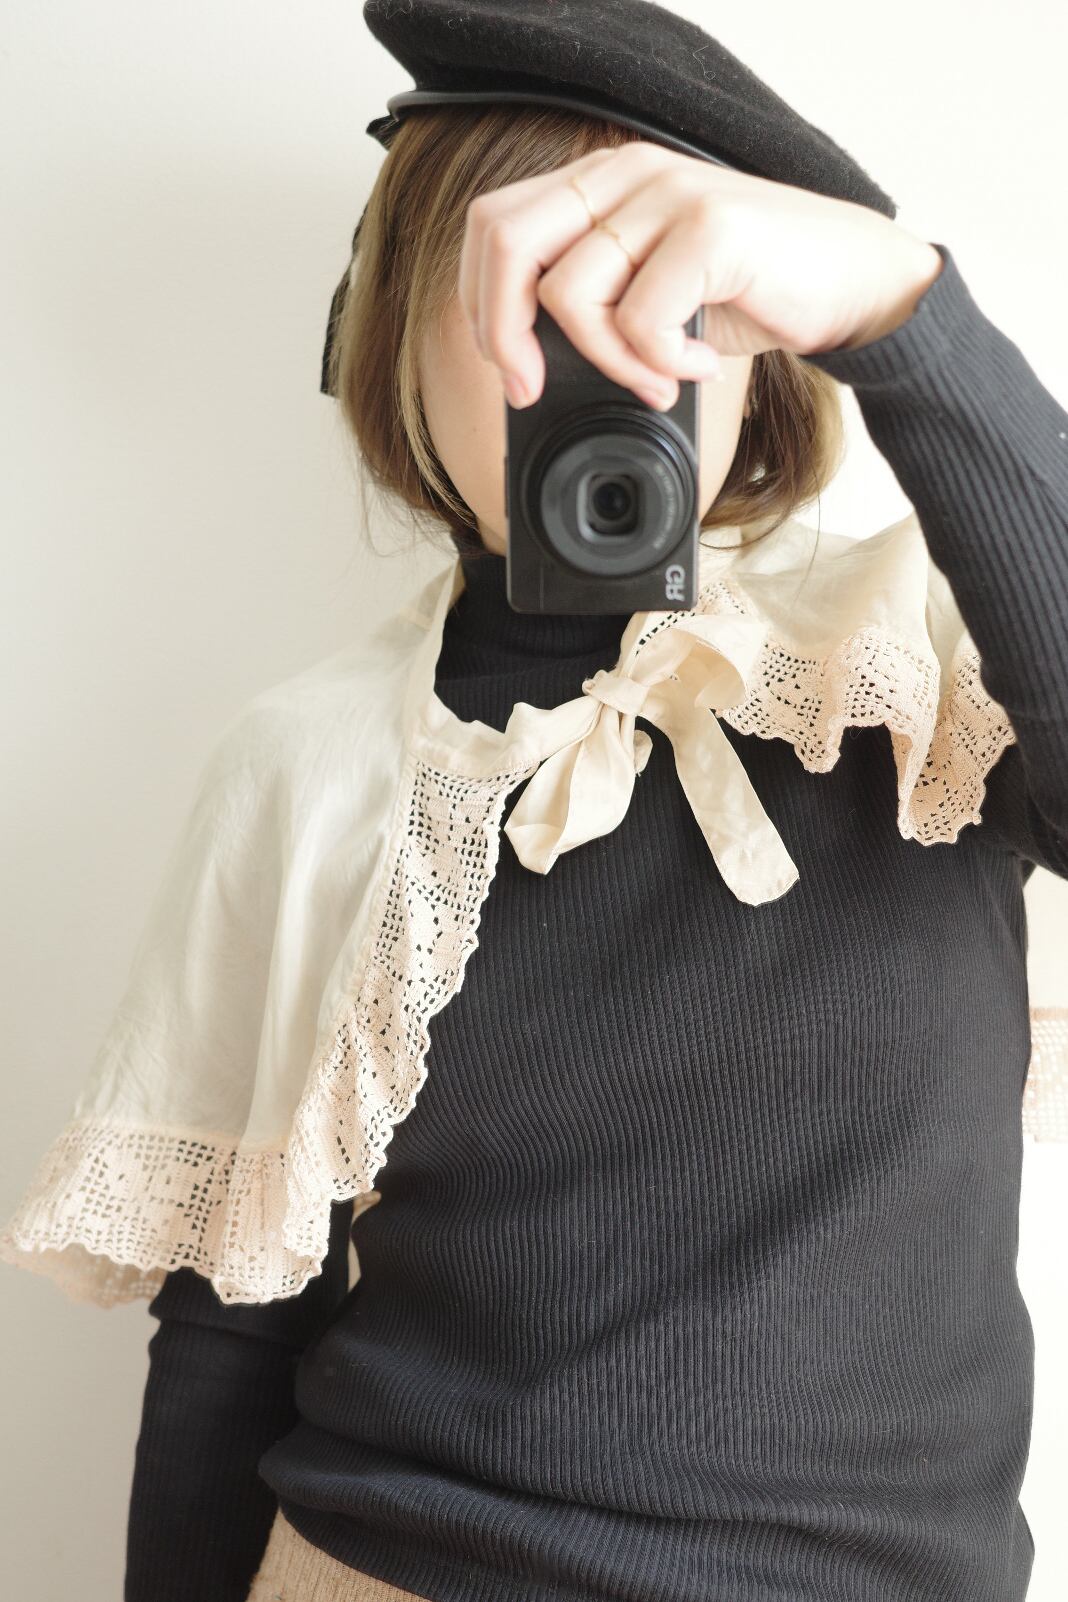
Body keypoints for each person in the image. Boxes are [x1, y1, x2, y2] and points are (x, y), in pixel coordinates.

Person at [3, 6, 1067, 1601]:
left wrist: (904, 311)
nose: (604, 354)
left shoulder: (923, 660)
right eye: (537, 294)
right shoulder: (317, 762)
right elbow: (231, 1333)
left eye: (665, 292)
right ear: (390, 328)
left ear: (766, 341)